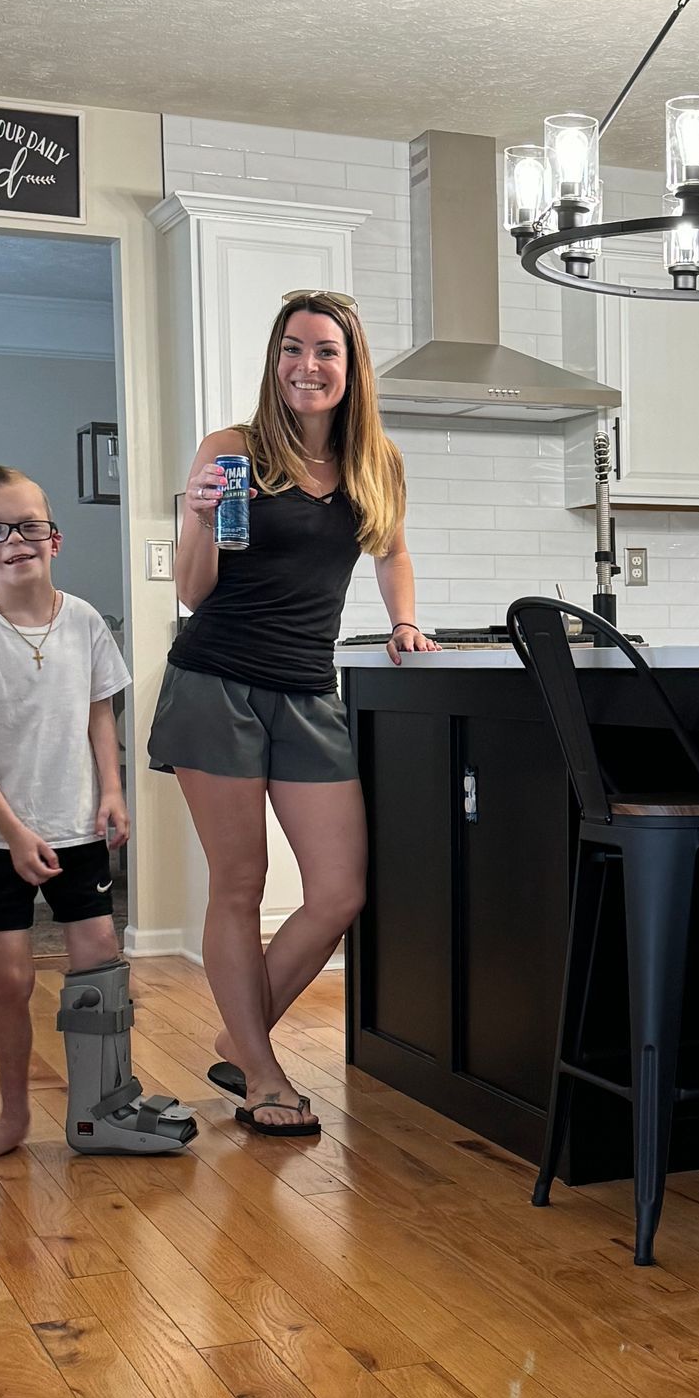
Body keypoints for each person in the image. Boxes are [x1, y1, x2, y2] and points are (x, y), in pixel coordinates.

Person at [148, 288, 437, 1137]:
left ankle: (241, 1039)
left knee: (340, 890)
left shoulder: (376, 461)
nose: (306, 366)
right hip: (216, 683)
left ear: (351, 370)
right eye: (292, 349)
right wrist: (197, 517)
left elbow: (393, 552)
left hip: (309, 689)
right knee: (240, 886)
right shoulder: (233, 450)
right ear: (275, 361)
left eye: (325, 352)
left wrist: (406, 623)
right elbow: (195, 593)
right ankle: (264, 1074)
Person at [0, 466, 134, 1164]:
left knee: (98, 961)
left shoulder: (85, 623)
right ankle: (12, 1116)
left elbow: (101, 714)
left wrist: (112, 789)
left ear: (54, 537)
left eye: (28, 525)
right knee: (10, 977)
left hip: (75, 824)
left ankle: (102, 1107)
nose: (14, 540)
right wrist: (14, 832)